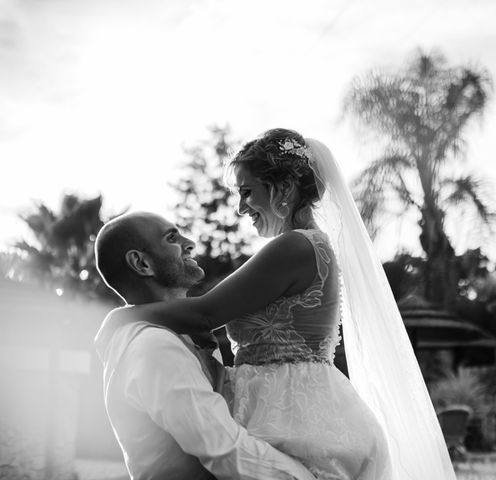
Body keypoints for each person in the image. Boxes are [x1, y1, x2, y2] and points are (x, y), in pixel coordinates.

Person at [106, 129, 457, 479]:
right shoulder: (301, 246)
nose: (242, 207)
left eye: (247, 192)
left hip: (295, 412)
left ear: (284, 189)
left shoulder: (294, 247)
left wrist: (122, 318)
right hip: (285, 403)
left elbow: (205, 313)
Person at [93, 211, 317, 480]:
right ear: (141, 263)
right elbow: (225, 450)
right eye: (172, 237)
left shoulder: (169, 336)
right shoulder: (153, 345)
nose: (190, 243)